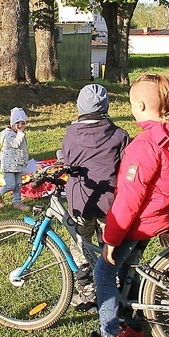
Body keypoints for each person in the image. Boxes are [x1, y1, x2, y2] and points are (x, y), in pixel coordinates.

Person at [71, 73, 169, 337]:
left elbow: (128, 199)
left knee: (104, 272)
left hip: (136, 225)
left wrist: (111, 239)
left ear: (139, 105)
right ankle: (133, 329)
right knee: (130, 271)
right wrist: (166, 223)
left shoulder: (144, 145)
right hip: (154, 223)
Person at [61, 84, 129, 312]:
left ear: (79, 106)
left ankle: (86, 290)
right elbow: (124, 165)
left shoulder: (71, 134)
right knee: (108, 245)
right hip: (110, 203)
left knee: (80, 244)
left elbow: (68, 161)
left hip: (81, 201)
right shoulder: (119, 134)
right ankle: (113, 286)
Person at [0, 107, 30, 211]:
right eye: (18, 123)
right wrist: (21, 134)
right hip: (9, 165)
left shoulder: (18, 134)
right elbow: (15, 144)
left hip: (18, 164)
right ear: (12, 123)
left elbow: (23, 148)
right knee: (10, 185)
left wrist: (25, 160)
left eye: (23, 123)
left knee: (18, 185)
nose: (20, 126)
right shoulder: (7, 134)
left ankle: (17, 202)